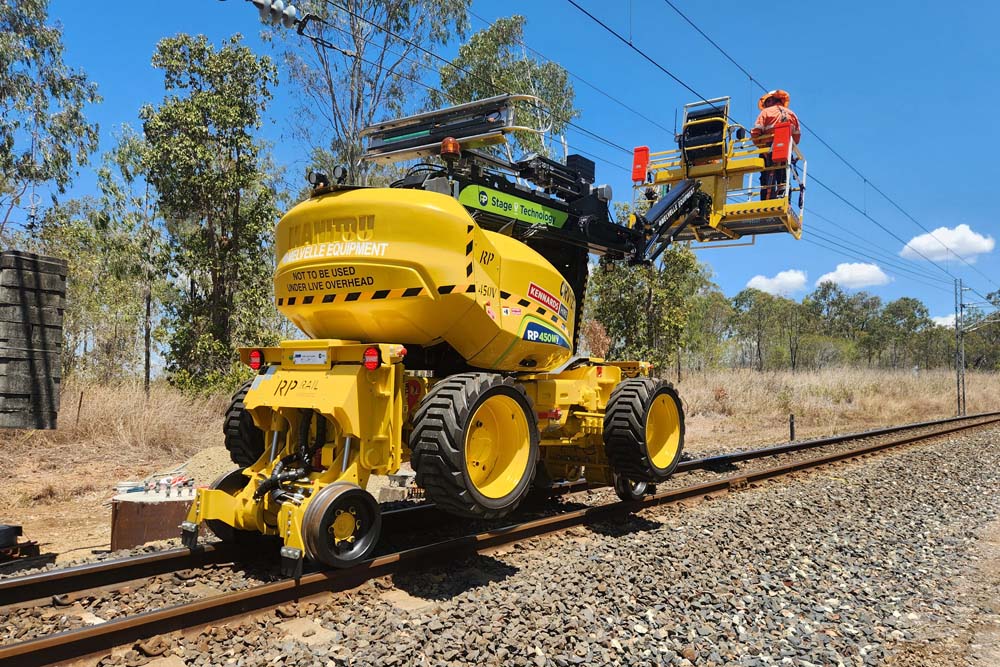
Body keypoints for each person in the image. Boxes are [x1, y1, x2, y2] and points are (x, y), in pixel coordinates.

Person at [751, 90, 801, 200]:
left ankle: (766, 202)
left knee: (766, 179)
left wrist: (762, 148)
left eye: (767, 103)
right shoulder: (792, 114)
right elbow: (796, 138)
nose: (765, 106)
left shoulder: (766, 113)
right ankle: (785, 200)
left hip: (768, 149)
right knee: (784, 177)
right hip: (786, 150)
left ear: (771, 100)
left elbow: (755, 133)